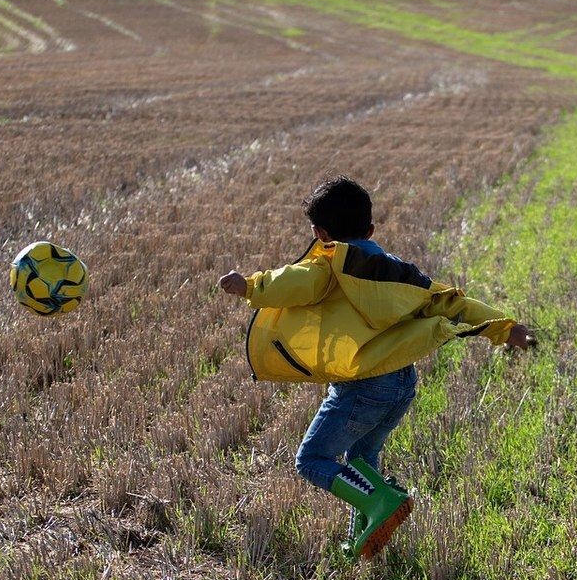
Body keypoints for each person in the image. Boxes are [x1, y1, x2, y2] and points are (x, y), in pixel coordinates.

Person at [219, 176, 535, 559]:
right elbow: (451, 302)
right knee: (362, 462)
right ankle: (362, 539)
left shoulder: (328, 265)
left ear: (319, 233)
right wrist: (507, 328)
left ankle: (382, 500)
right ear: (370, 229)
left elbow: (295, 281)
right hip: (401, 383)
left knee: (312, 460)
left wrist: (251, 285)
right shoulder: (398, 274)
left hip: (362, 387)